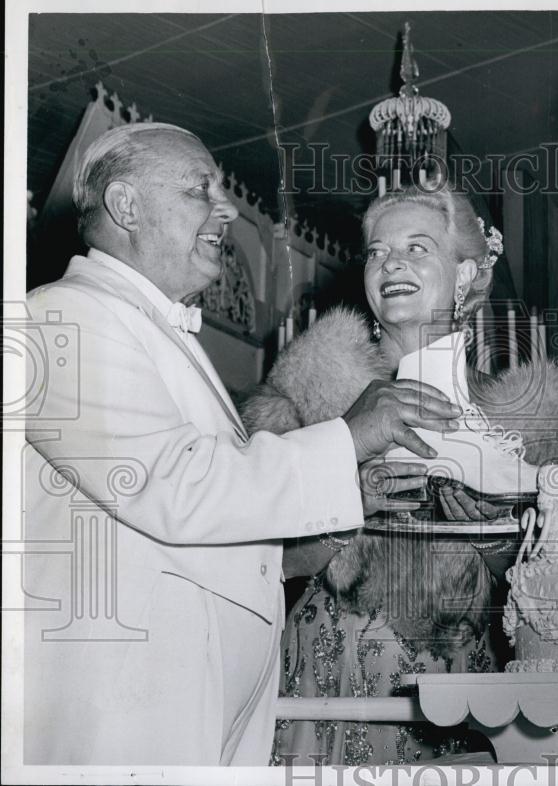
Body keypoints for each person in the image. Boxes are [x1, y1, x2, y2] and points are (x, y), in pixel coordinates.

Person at [21, 123, 463, 766]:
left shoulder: (154, 332)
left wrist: (320, 532)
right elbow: (169, 485)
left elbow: (207, 532)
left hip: (181, 716)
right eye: (201, 189)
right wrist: (344, 439)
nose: (226, 209)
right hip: (118, 717)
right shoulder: (60, 317)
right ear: (125, 206)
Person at [241, 185, 558, 765]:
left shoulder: (533, 430)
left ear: (466, 273)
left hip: (471, 687)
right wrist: (347, 504)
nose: (392, 262)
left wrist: (508, 544)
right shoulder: (303, 397)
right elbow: (259, 562)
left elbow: (555, 597)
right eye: (377, 252)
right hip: (339, 669)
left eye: (418, 247)